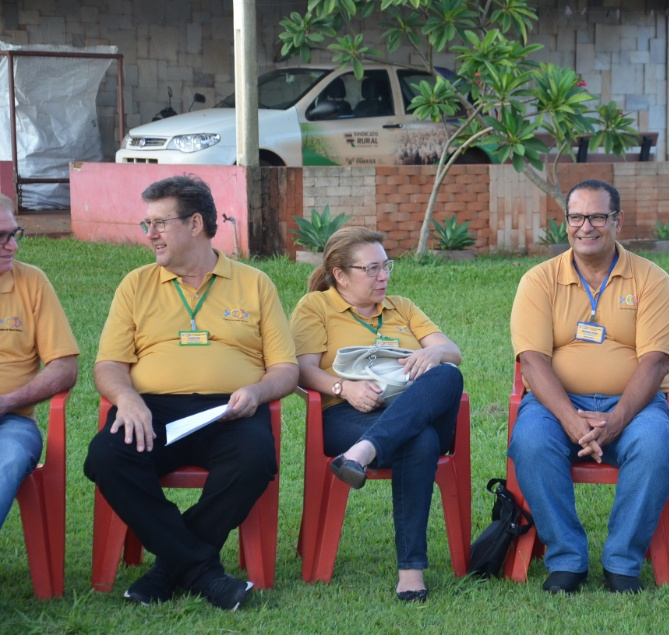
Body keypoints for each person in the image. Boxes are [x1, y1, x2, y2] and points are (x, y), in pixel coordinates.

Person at [83, 175, 298, 610]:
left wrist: (256, 393)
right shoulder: (136, 284)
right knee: (107, 457)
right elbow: (108, 364)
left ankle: (169, 568)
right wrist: (127, 399)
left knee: (254, 459)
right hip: (152, 411)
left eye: (160, 223)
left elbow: (286, 370)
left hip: (230, 412)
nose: (151, 235)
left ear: (195, 223)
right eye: (147, 225)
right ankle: (201, 570)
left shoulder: (254, 283)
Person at [507, 179, 669, 595]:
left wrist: (615, 420)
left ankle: (622, 561)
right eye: (577, 217)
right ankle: (566, 558)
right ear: (565, 222)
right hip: (555, 405)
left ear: (617, 221)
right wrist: (571, 419)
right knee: (530, 442)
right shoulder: (539, 280)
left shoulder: (652, 280)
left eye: (598, 216)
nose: (586, 226)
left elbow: (655, 360)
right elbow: (532, 360)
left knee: (656, 446)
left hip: (634, 405)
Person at [289, 226, 463, 603]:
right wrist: (344, 388)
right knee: (420, 440)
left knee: (448, 373)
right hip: (347, 414)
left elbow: (452, 351)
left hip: (407, 409)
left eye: (386, 267)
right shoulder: (315, 307)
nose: (383, 276)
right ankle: (411, 571)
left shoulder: (402, 306)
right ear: (340, 274)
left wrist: (433, 354)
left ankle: (362, 454)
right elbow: (301, 370)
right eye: (372, 269)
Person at [0, 194, 79, 531]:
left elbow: (65, 367)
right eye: (1, 237)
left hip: (11, 424)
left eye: (13, 233)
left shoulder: (31, 282)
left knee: (10, 458)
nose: (12, 246)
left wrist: (8, 402)